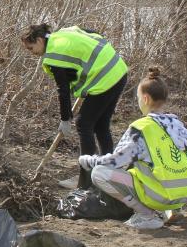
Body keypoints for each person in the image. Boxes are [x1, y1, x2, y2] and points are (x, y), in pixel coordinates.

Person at [79, 67, 187, 230]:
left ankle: (146, 215)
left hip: (161, 194)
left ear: (145, 98)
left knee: (99, 173)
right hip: (183, 194)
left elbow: (115, 162)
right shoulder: (178, 125)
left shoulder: (141, 128)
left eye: (138, 97)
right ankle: (171, 210)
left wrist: (88, 160)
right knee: (148, 165)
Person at [21, 23, 128, 188]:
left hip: (105, 79)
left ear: (40, 40)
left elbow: (62, 90)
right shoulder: (63, 33)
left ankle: (85, 180)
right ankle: (108, 173)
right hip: (118, 69)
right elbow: (95, 34)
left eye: (31, 47)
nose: (32, 53)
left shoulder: (54, 55)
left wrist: (65, 119)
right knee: (100, 126)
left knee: (84, 124)